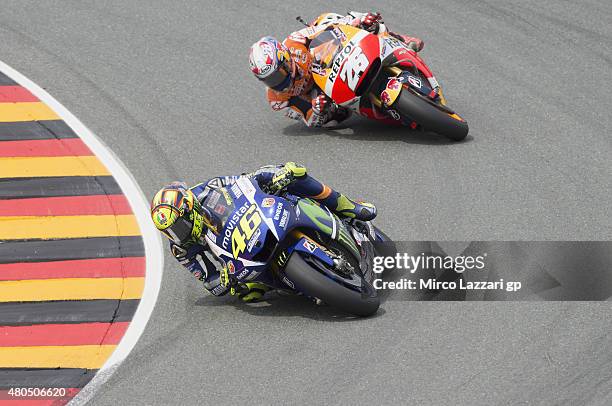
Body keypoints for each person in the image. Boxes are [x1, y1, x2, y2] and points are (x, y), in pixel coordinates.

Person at [150, 162, 376, 302]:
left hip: (257, 217)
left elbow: (246, 180)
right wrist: (224, 278)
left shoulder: (207, 189)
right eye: (169, 231)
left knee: (293, 173)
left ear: (190, 210)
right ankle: (305, 285)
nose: (176, 234)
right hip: (238, 255)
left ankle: (348, 206)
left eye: (178, 226)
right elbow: (211, 283)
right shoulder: (181, 249)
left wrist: (275, 177)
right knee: (248, 293)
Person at [249, 11, 424, 127]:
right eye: (269, 80)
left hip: (329, 61)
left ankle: (400, 39)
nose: (276, 83)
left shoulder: (296, 41)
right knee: (334, 118)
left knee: (328, 18)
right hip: (324, 94)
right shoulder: (277, 99)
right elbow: (308, 118)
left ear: (285, 60)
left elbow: (330, 27)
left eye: (277, 75)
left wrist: (359, 21)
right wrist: (318, 110)